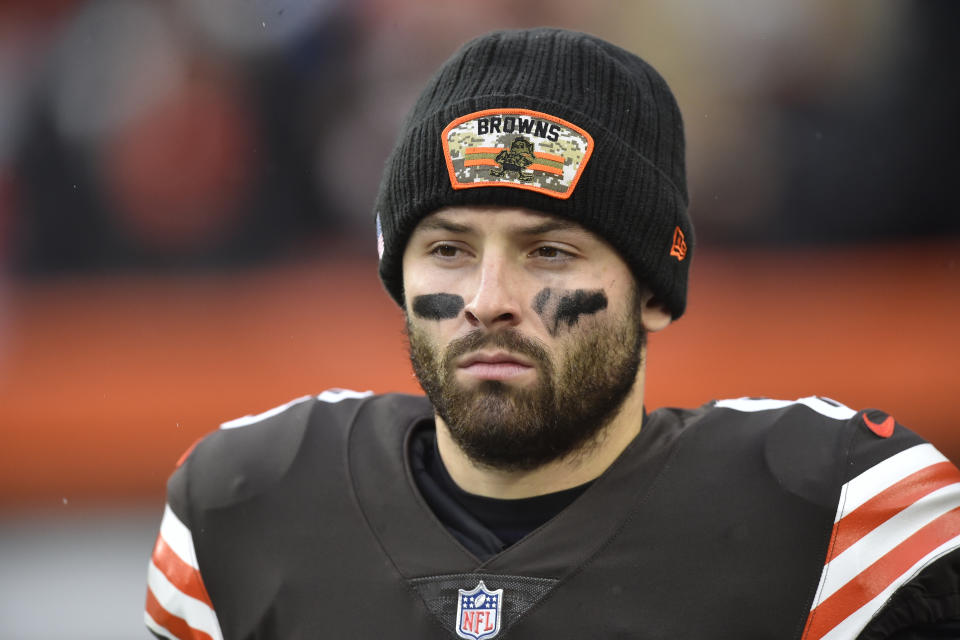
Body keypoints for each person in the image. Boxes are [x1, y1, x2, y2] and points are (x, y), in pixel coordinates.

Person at [144, 28, 960, 640]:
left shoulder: (838, 518)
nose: (489, 300)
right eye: (450, 249)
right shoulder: (243, 508)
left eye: (550, 251)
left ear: (654, 289)